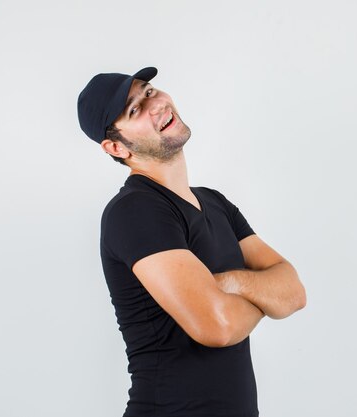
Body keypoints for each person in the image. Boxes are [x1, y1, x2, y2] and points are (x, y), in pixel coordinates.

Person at [77, 66, 307, 417]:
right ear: (116, 147)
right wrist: (266, 298)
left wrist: (231, 282)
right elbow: (217, 326)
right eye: (135, 110)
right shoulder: (135, 210)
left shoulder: (215, 202)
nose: (155, 105)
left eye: (150, 91)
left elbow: (293, 293)